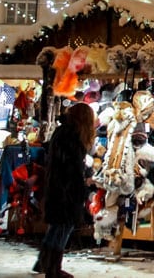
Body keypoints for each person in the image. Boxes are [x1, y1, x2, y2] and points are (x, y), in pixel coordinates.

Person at [34, 102, 95, 278]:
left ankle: (45, 264)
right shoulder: (71, 136)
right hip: (65, 190)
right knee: (62, 228)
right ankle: (53, 268)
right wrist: (81, 183)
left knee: (57, 228)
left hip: (59, 187)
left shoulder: (64, 132)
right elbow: (71, 166)